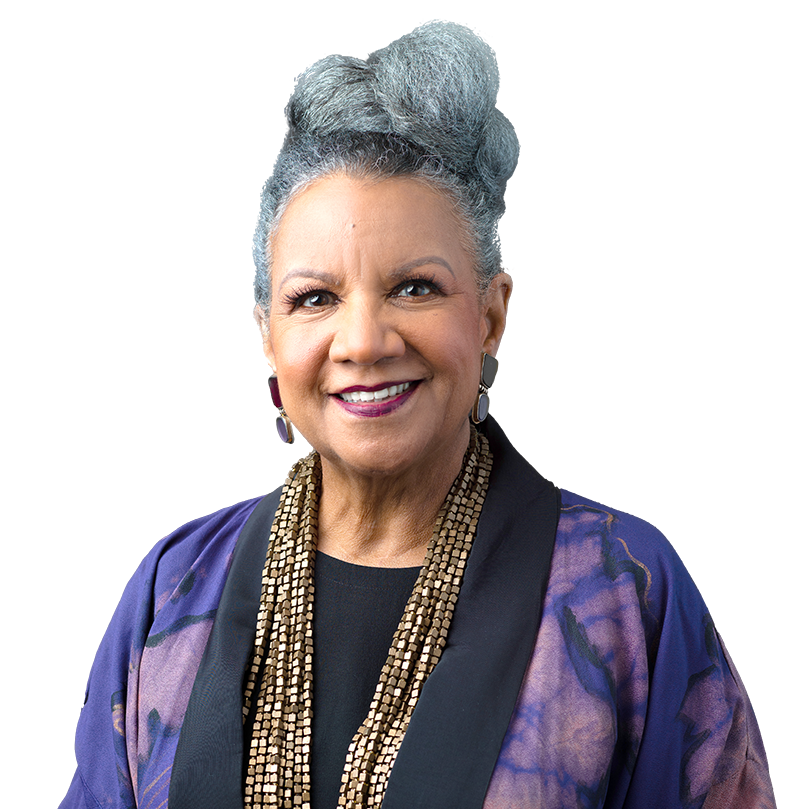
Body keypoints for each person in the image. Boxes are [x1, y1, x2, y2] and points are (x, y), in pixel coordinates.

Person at [60, 21, 776, 809]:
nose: (363, 341)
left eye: (415, 287)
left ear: (493, 314)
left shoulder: (624, 596)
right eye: (314, 298)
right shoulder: (173, 589)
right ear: (267, 336)